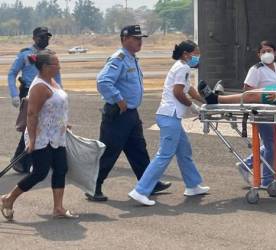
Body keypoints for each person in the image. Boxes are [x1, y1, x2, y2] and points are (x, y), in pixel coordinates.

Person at [86, 25, 171, 202]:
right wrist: (119, 99)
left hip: (131, 114)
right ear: (124, 39)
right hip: (118, 114)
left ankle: (149, 183)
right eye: (135, 38)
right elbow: (103, 81)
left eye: (141, 38)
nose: (140, 41)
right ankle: (93, 187)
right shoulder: (119, 58)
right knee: (109, 151)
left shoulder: (132, 58)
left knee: (138, 149)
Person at [128, 40, 209, 206]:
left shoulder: (182, 67)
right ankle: (141, 190)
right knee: (164, 155)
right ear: (186, 54)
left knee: (184, 151)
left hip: (171, 117)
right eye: (195, 54)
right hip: (170, 116)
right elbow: (178, 93)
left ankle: (193, 185)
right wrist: (194, 107)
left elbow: (189, 89)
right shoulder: (183, 67)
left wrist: (206, 100)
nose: (197, 57)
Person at [1, 51, 78, 221]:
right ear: (44, 67)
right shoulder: (39, 86)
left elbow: (54, 107)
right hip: (42, 137)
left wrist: (63, 123)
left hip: (57, 135)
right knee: (40, 172)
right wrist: (33, 140)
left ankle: (58, 208)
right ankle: (8, 198)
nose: (59, 66)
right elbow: (32, 114)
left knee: (61, 169)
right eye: (55, 64)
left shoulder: (52, 81)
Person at [236, 41, 276, 189]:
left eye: (269, 51)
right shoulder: (256, 69)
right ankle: (266, 181)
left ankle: (246, 164)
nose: (266, 54)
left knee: (271, 144)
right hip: (261, 110)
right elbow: (247, 91)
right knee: (271, 145)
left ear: (275, 52)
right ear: (258, 55)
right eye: (263, 52)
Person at [7, 27, 62, 174]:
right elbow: (11, 74)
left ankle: (35, 160)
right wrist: (13, 94)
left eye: (47, 37)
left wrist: (60, 94)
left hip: (47, 93)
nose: (45, 40)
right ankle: (20, 160)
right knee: (30, 125)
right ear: (34, 38)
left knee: (45, 125)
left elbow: (56, 76)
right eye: (42, 37)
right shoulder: (25, 54)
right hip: (28, 93)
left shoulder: (50, 56)